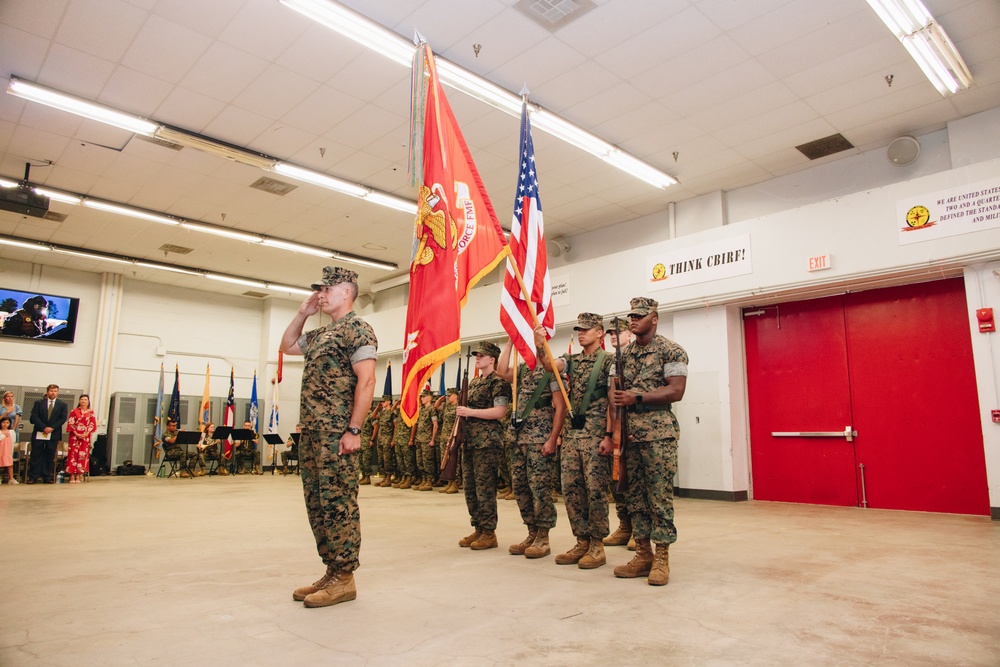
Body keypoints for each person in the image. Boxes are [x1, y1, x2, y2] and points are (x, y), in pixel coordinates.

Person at [280, 265, 376, 608]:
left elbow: (366, 381)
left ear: (346, 292)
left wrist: (354, 429)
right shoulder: (321, 334)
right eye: (319, 290)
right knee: (318, 505)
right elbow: (287, 345)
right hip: (313, 434)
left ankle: (345, 578)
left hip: (337, 433)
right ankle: (332, 570)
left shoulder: (358, 330)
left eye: (326, 289)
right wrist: (303, 313)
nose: (320, 295)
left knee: (339, 505)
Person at [609, 297, 689, 586]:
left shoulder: (671, 350)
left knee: (659, 498)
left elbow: (676, 391)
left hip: (658, 435)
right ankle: (643, 554)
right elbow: (614, 394)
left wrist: (637, 397)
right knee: (634, 498)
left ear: (654, 318)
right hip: (628, 433)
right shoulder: (623, 355)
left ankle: (662, 557)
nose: (634, 320)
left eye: (640, 316)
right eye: (632, 315)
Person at [536, 313, 614, 569]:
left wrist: (610, 436)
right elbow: (550, 366)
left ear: (600, 333)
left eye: (587, 329)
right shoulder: (571, 359)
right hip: (572, 435)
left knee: (596, 491)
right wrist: (539, 347)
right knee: (571, 489)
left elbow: (614, 402)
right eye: (579, 329)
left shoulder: (608, 361)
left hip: (595, 434)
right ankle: (581, 540)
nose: (581, 333)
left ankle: (597, 545)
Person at [496, 340, 566, 559]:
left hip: (539, 437)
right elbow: (500, 370)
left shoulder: (551, 371)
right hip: (518, 438)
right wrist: (510, 341)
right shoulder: (521, 369)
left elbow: (560, 406)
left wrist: (553, 438)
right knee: (521, 488)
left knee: (540, 488)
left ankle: (543, 537)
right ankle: (531, 532)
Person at [456, 341, 512, 551]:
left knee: (485, 488)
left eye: (482, 355)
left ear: (492, 359)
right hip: (470, 441)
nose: (478, 358)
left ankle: (489, 532)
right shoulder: (474, 383)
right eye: (477, 355)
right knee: (470, 487)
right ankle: (478, 527)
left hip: (487, 442)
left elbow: (499, 412)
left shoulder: (499, 382)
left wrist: (470, 412)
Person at [604, 316, 635, 550]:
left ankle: (638, 529)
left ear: (629, 335)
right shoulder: (612, 362)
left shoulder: (636, 356)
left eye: (618, 332)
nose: (614, 336)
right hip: (616, 426)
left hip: (636, 426)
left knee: (635, 481)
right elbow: (610, 400)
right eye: (611, 334)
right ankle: (624, 526)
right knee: (617, 478)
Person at [28, 384, 68, 484]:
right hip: (39, 432)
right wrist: (44, 428)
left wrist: (51, 428)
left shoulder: (62, 404)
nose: (53, 393)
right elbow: (34, 417)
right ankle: (33, 476)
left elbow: (62, 418)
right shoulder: (38, 403)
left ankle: (47, 476)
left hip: (53, 433)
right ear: (47, 392)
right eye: (51, 391)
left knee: (50, 455)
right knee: (36, 454)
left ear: (57, 392)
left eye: (55, 391)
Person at [65, 394, 97, 483]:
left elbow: (92, 424)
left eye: (85, 399)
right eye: (82, 399)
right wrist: (76, 433)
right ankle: (71, 475)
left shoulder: (91, 412)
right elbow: (71, 423)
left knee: (82, 455)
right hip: (74, 436)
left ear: (88, 401)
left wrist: (86, 433)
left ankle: (79, 475)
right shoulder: (74, 411)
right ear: (79, 401)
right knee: (72, 455)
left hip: (85, 437)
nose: (83, 401)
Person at [412, 389, 438, 491]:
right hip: (419, 439)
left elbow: (435, 425)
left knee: (428, 461)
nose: (422, 398)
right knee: (420, 461)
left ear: (430, 398)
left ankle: (429, 481)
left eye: (424, 397)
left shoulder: (432, 409)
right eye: (421, 397)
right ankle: (423, 480)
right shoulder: (422, 409)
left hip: (427, 439)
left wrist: (432, 439)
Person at [436, 389, 459, 494]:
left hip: (453, 437)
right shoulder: (447, 406)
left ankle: (455, 483)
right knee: (444, 459)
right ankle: (449, 482)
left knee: (453, 460)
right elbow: (436, 406)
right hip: (444, 437)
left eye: (450, 396)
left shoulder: (459, 407)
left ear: (456, 396)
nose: (448, 397)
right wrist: (441, 399)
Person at [374, 395, 395, 486]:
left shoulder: (392, 413)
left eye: (383, 401)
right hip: (380, 439)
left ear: (389, 402)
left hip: (387, 438)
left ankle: (388, 478)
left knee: (387, 460)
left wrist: (393, 439)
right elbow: (373, 416)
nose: (382, 403)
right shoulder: (382, 413)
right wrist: (377, 408)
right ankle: (384, 477)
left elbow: (396, 427)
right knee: (381, 460)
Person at [0, 416, 15, 484]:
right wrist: (3, 435)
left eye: (7, 422)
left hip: (7, 451)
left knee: (9, 465)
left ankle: (11, 479)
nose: (5, 424)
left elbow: (13, 442)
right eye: (3, 422)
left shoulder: (11, 432)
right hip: (1, 450)